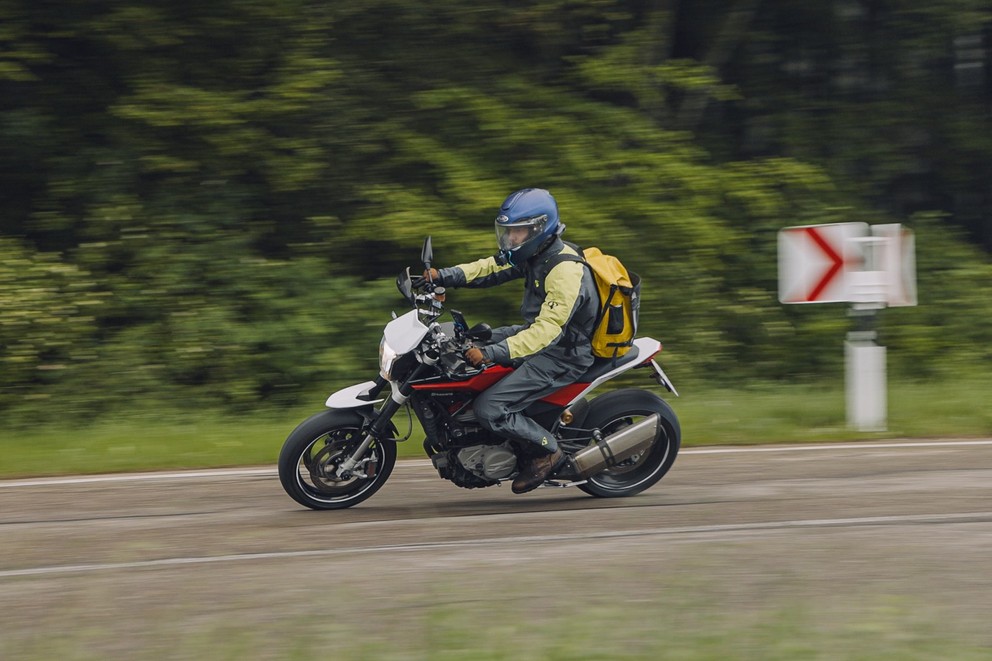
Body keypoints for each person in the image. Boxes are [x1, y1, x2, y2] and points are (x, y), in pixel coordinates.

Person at [423, 188, 600, 493]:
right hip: (537, 337)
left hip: (563, 354)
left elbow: (548, 331)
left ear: (539, 228)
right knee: (462, 340)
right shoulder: (533, 253)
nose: (510, 239)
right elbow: (490, 268)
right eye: (508, 232)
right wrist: (443, 276)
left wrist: (494, 353)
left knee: (490, 408)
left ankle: (548, 451)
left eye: (517, 232)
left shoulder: (565, 271)